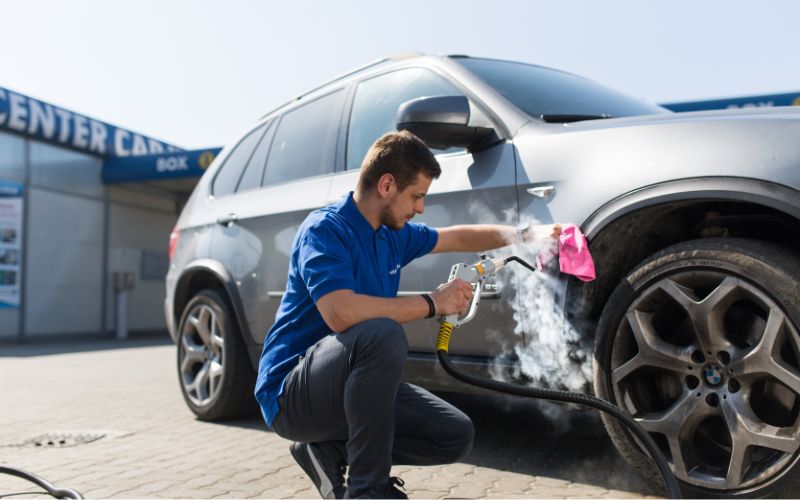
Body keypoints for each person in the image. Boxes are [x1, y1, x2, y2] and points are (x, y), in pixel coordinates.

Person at [254, 130, 560, 499]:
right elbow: (341, 313)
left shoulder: (392, 234)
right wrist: (434, 302)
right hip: (292, 395)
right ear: (386, 185)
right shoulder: (325, 230)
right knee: (381, 333)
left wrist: (529, 234)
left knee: (453, 434)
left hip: (345, 389)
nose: (420, 208)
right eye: (416, 196)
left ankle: (328, 449)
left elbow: (459, 237)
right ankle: (368, 490)